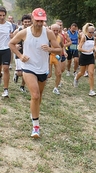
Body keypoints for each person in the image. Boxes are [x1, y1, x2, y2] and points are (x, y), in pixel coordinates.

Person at [9, 8, 62, 138]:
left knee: (39, 96)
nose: (39, 23)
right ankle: (36, 127)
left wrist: (50, 49)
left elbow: (59, 50)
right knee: (35, 95)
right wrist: (20, 56)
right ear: (32, 19)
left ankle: (34, 112)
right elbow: (11, 43)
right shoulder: (24, 32)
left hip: (43, 68)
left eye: (42, 21)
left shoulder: (48, 33)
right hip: (28, 67)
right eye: (37, 20)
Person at [73, 23, 96, 96]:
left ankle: (91, 90)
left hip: (90, 57)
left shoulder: (94, 38)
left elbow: (95, 46)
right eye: (90, 32)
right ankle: (76, 78)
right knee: (82, 73)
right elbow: (79, 48)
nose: (92, 34)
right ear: (87, 31)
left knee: (91, 73)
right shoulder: (84, 37)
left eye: (93, 32)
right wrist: (87, 51)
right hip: (83, 56)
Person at [11, 14, 32, 93]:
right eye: (25, 22)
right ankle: (16, 73)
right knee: (20, 73)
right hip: (19, 53)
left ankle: (22, 86)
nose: (27, 23)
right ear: (22, 22)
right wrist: (15, 45)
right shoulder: (18, 30)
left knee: (26, 72)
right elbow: (12, 39)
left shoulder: (32, 31)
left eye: (28, 22)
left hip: (28, 53)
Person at [49, 24, 65, 95]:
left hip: (57, 56)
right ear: (50, 29)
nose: (55, 32)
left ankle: (56, 88)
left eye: (57, 30)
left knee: (59, 73)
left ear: (59, 30)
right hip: (48, 56)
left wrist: (64, 52)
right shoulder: (47, 36)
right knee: (48, 75)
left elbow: (62, 45)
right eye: (54, 30)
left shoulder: (60, 37)